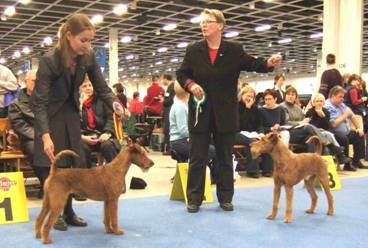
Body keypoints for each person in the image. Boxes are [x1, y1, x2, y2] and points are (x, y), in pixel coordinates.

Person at [176, 8, 281, 213]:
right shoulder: (193, 49)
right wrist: (191, 85)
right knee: (198, 157)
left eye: (208, 21)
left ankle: (225, 198)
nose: (203, 25)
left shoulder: (234, 49)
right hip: (200, 113)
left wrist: (268, 63)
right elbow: (182, 73)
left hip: (225, 115)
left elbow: (252, 63)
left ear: (220, 26)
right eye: (202, 22)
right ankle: (194, 199)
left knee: (225, 157)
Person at [31, 13, 126, 231]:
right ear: (68, 36)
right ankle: (56, 212)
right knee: (54, 163)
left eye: (90, 40)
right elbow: (40, 102)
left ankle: (69, 211)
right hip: (51, 114)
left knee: (74, 163)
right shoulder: (49, 60)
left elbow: (101, 87)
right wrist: (45, 136)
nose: (87, 45)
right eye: (83, 40)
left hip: (72, 114)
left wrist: (115, 104)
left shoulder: (88, 57)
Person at [169, 81, 218, 183]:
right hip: (179, 141)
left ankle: (210, 175)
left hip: (184, 139)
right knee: (210, 150)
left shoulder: (183, 104)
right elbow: (183, 131)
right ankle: (198, 175)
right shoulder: (180, 107)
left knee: (212, 146)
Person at [8, 71, 40, 194]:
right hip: (30, 139)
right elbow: (20, 126)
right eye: (34, 81)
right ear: (25, 82)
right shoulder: (15, 104)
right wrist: (40, 136)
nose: (37, 84)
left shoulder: (48, 100)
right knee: (36, 150)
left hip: (50, 135)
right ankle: (46, 184)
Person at [80, 77, 121, 168]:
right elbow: (74, 124)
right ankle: (86, 178)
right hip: (86, 137)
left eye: (90, 85)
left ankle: (115, 177)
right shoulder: (76, 104)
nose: (88, 88)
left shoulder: (102, 100)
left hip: (103, 135)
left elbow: (111, 118)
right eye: (84, 86)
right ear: (79, 89)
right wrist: (82, 137)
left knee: (108, 146)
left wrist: (107, 133)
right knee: (81, 148)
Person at [324, 86, 367, 171]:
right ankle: (347, 164)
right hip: (333, 134)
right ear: (332, 96)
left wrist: (359, 128)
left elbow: (352, 116)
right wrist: (345, 115)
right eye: (340, 97)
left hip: (346, 132)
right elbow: (333, 124)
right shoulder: (327, 107)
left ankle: (356, 161)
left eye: (343, 97)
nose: (342, 99)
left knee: (359, 135)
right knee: (344, 138)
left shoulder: (341, 105)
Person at [234, 86, 272, 178]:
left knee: (265, 141)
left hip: (251, 133)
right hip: (237, 133)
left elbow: (259, 124)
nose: (249, 98)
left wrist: (261, 133)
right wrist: (247, 108)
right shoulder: (236, 106)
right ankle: (252, 170)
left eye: (252, 96)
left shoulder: (255, 109)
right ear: (242, 95)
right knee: (253, 142)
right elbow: (240, 125)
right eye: (248, 96)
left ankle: (267, 169)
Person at [162, 74, 175, 155]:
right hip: (169, 110)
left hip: (169, 110)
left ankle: (170, 149)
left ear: (166, 79)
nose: (163, 82)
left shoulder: (171, 87)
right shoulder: (172, 87)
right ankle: (169, 149)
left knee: (168, 129)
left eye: (163, 80)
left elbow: (169, 100)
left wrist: (163, 101)